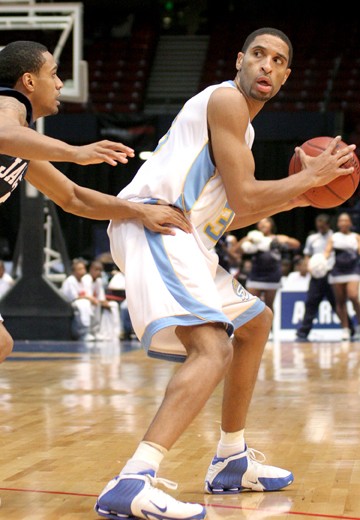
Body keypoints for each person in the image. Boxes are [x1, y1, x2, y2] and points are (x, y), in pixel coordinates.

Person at [95, 27, 356, 520]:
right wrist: (310, 178)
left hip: (187, 232)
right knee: (212, 347)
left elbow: (226, 216)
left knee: (255, 322)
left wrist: (299, 194)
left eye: (277, 60)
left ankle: (231, 460)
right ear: (240, 60)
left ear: (285, 76)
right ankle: (134, 479)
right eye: (258, 54)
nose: (266, 65)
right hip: (155, 222)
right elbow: (247, 196)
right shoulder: (226, 102)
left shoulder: (244, 129)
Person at [0, 40, 191, 363]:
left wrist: (139, 210)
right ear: (29, 81)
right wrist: (75, 152)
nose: (60, 84)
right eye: (54, 74)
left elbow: (73, 197)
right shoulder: (8, 106)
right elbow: (3, 134)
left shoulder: (22, 138)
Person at [295, 213, 354, 342]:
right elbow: (307, 255)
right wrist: (308, 267)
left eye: (323, 226)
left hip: (331, 273)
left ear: (328, 225)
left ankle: (350, 329)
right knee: (311, 302)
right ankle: (303, 332)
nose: (320, 228)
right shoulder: (312, 238)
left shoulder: (335, 237)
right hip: (316, 275)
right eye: (318, 226)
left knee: (337, 303)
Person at [235, 217, 301, 311]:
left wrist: (285, 241)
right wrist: (247, 239)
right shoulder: (252, 239)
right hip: (255, 275)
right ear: (257, 226)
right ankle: (254, 326)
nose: (263, 224)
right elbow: (236, 250)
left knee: (269, 306)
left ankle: (270, 326)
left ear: (271, 225)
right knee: (251, 306)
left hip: (272, 275)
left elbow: (297, 244)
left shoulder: (277, 238)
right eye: (260, 222)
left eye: (266, 222)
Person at [324, 212, 360, 341]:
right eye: (341, 221)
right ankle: (345, 328)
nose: (344, 223)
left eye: (346, 220)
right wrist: (321, 261)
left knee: (353, 296)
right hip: (337, 271)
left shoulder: (356, 237)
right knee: (340, 301)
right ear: (338, 223)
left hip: (353, 270)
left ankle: (359, 326)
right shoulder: (334, 237)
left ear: (350, 223)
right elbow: (327, 252)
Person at [82, 259, 121, 341]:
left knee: (113, 305)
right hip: (88, 302)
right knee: (94, 305)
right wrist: (100, 302)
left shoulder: (99, 281)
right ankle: (93, 332)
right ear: (91, 270)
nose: (98, 272)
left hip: (96, 302)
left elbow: (101, 297)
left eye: (100, 270)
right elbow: (88, 296)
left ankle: (116, 332)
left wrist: (105, 303)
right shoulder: (86, 278)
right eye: (96, 270)